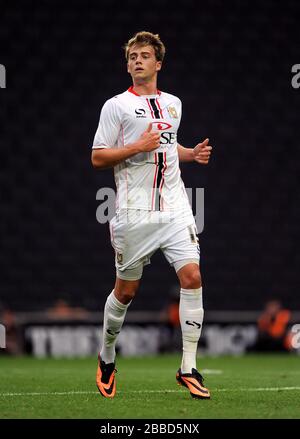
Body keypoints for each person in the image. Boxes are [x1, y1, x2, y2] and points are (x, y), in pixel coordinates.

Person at [91, 31, 212, 399]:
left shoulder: (174, 103)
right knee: (126, 292)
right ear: (128, 65)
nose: (137, 61)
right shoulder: (116, 106)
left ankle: (188, 367)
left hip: (175, 207)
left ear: (158, 63)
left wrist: (189, 153)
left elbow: (166, 145)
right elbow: (98, 157)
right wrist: (135, 147)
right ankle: (107, 355)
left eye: (145, 55)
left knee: (192, 276)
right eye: (132, 57)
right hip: (134, 211)